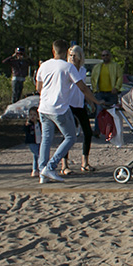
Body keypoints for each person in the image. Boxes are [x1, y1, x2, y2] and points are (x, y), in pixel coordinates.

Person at [36, 39, 101, 184]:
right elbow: (83, 88)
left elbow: (38, 88)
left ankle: (42, 171)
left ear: (53, 50)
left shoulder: (44, 65)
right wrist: (96, 101)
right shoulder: (68, 67)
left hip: (43, 108)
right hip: (59, 109)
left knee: (46, 139)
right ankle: (51, 166)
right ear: (66, 52)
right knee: (70, 137)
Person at [61, 45, 95, 174]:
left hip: (79, 104)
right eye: (70, 55)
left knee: (87, 132)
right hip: (68, 105)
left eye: (75, 55)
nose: (72, 58)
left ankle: (85, 162)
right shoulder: (66, 69)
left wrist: (90, 102)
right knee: (67, 134)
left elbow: (84, 88)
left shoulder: (82, 70)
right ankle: (64, 165)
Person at [91, 49, 123, 135]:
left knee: (112, 113)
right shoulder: (97, 67)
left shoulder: (115, 66)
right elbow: (93, 79)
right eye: (103, 55)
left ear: (110, 56)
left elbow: (120, 77)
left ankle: (112, 131)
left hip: (111, 93)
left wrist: (116, 87)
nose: (105, 57)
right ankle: (97, 131)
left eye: (107, 55)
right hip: (100, 93)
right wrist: (95, 90)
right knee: (99, 112)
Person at [24, 107, 41, 177]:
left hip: (39, 141)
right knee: (38, 155)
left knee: (36, 156)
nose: (32, 117)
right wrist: (26, 126)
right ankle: (40, 168)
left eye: (34, 115)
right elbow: (25, 130)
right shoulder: (29, 124)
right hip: (32, 142)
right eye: (31, 115)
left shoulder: (39, 123)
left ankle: (35, 169)